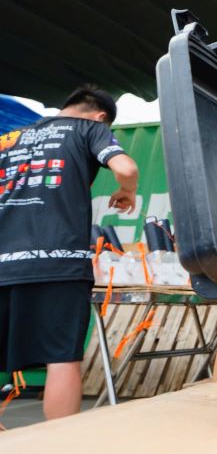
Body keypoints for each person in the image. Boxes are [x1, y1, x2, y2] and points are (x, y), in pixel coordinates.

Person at [0, 85, 138, 420]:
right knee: (61, 357)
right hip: (58, 260)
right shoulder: (89, 128)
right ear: (100, 116)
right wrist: (127, 190)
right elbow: (126, 169)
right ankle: (60, 441)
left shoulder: (11, 138)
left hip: (3, 261)